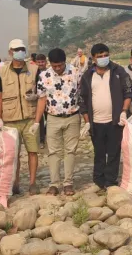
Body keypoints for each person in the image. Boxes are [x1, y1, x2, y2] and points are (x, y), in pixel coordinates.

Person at [77, 43, 132, 190]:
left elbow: (128, 91)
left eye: (105, 55)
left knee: (114, 152)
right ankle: (98, 179)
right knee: (99, 152)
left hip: (115, 120)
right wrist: (87, 121)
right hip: (96, 122)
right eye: (100, 56)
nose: (103, 58)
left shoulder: (118, 71)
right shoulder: (88, 75)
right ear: (94, 58)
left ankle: (111, 181)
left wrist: (123, 111)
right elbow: (82, 99)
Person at [0, 39, 40, 195]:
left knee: (33, 151)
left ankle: (32, 183)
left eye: (22, 49)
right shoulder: (1, 72)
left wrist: (35, 99)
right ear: (10, 52)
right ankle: (15, 183)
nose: (20, 52)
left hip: (30, 118)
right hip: (10, 119)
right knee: (14, 155)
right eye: (16, 49)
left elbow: (42, 93)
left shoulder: (34, 70)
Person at [32, 48, 82, 196]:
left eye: (60, 65)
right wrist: (37, 122)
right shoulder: (44, 75)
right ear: (50, 64)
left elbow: (83, 95)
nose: (58, 68)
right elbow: (42, 99)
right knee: (53, 152)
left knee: (70, 150)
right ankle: (54, 184)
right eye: (54, 66)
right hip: (53, 118)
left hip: (72, 116)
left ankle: (68, 183)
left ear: (64, 62)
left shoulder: (75, 72)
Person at [33, 54, 48, 149]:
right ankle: (41, 140)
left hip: (49, 100)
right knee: (40, 120)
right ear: (36, 63)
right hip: (37, 100)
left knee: (49, 119)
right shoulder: (34, 73)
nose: (40, 64)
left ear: (46, 62)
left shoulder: (49, 72)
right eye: (38, 62)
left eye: (42, 62)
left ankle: (47, 137)